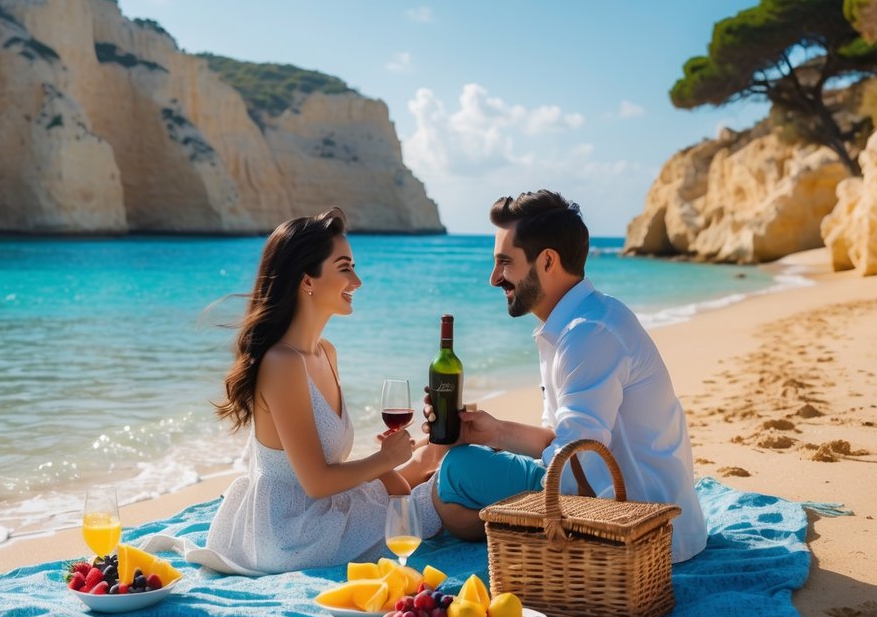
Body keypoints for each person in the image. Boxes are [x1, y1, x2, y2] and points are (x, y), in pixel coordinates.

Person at [429, 190, 707, 563]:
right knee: (457, 470)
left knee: (453, 475)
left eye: (505, 263)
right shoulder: (581, 320)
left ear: (547, 261)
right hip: (641, 506)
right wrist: (490, 432)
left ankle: (523, 537)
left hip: (640, 526)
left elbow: (576, 465)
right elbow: (569, 441)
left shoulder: (587, 334)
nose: (494, 278)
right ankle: (514, 531)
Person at [200, 207, 443, 574]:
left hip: (322, 509)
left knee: (429, 466)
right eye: (345, 267)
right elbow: (316, 482)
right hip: (293, 534)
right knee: (438, 501)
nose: (357, 281)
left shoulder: (325, 352)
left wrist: (386, 466)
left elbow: (329, 472)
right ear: (306, 281)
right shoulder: (282, 363)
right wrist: (383, 462)